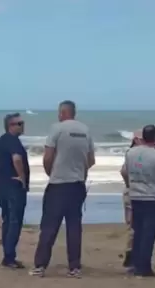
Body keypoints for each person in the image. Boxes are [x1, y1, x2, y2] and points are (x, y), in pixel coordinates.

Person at [29, 100, 95, 278]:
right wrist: (80, 171)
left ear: (64, 112)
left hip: (58, 185)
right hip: (77, 185)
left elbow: (47, 157)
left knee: (49, 226)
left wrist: (51, 173)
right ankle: (74, 267)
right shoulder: (85, 130)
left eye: (59, 112)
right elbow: (91, 160)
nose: (58, 115)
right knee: (74, 227)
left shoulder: (57, 129)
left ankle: (40, 266)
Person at [122, 125, 155, 277]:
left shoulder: (130, 153)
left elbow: (126, 170)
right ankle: (144, 267)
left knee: (138, 232)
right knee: (149, 234)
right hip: (153, 198)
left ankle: (137, 264)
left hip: (136, 197)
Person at [0, 113, 30, 269]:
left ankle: (7, 255)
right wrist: (22, 177)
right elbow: (17, 159)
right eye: (19, 123)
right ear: (10, 125)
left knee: (8, 220)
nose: (22, 126)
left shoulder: (1, 141)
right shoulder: (12, 141)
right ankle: (9, 257)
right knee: (14, 221)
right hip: (13, 188)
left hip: (2, 186)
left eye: (22, 123)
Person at [120, 129, 142, 268]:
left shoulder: (134, 153)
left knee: (134, 225)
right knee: (133, 225)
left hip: (134, 192)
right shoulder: (133, 154)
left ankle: (132, 254)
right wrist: (130, 184)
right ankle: (131, 254)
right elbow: (123, 171)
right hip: (132, 193)